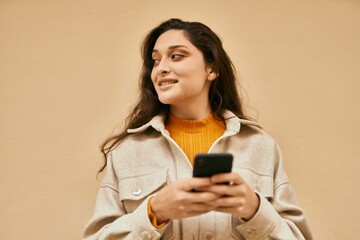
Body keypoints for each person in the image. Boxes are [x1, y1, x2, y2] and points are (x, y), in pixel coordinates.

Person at [83, 18, 313, 240]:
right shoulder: (127, 152)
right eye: (155, 61)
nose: (161, 68)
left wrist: (255, 210)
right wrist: (154, 212)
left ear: (211, 69)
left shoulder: (260, 146)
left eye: (176, 56)